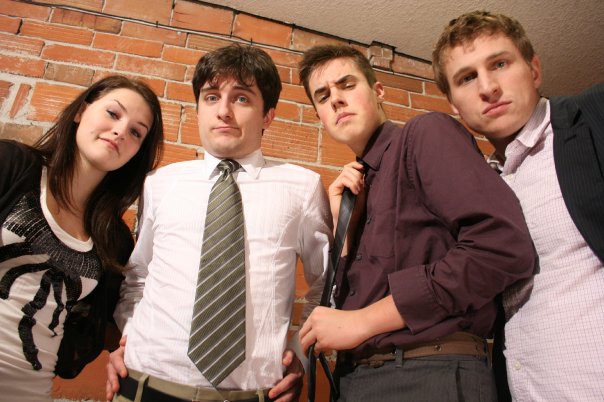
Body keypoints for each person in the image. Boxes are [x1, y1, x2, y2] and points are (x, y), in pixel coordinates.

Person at [297, 44, 536, 401]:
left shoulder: (425, 134)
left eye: (347, 85)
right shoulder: (357, 191)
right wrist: (342, 228)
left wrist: (364, 321)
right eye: (323, 95)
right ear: (319, 115)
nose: (336, 100)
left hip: (426, 374)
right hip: (360, 380)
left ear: (378, 92)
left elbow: (501, 247)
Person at [105, 44, 331, 402]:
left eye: (242, 99)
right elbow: (139, 275)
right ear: (198, 108)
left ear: (267, 115)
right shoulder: (160, 183)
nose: (223, 111)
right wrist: (131, 335)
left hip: (254, 394)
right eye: (211, 97)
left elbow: (326, 284)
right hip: (144, 385)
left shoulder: (302, 187)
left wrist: (300, 351)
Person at [432, 10, 604, 401]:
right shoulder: (477, 191)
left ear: (535, 69)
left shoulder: (595, 114)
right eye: (467, 77)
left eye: (500, 64)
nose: (488, 87)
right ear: (454, 105)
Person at [0, 75, 164, 401]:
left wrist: (127, 349)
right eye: (113, 114)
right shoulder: (11, 164)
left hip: (30, 391)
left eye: (136, 132)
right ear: (81, 111)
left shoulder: (113, 239)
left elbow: (94, 329)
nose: (120, 131)